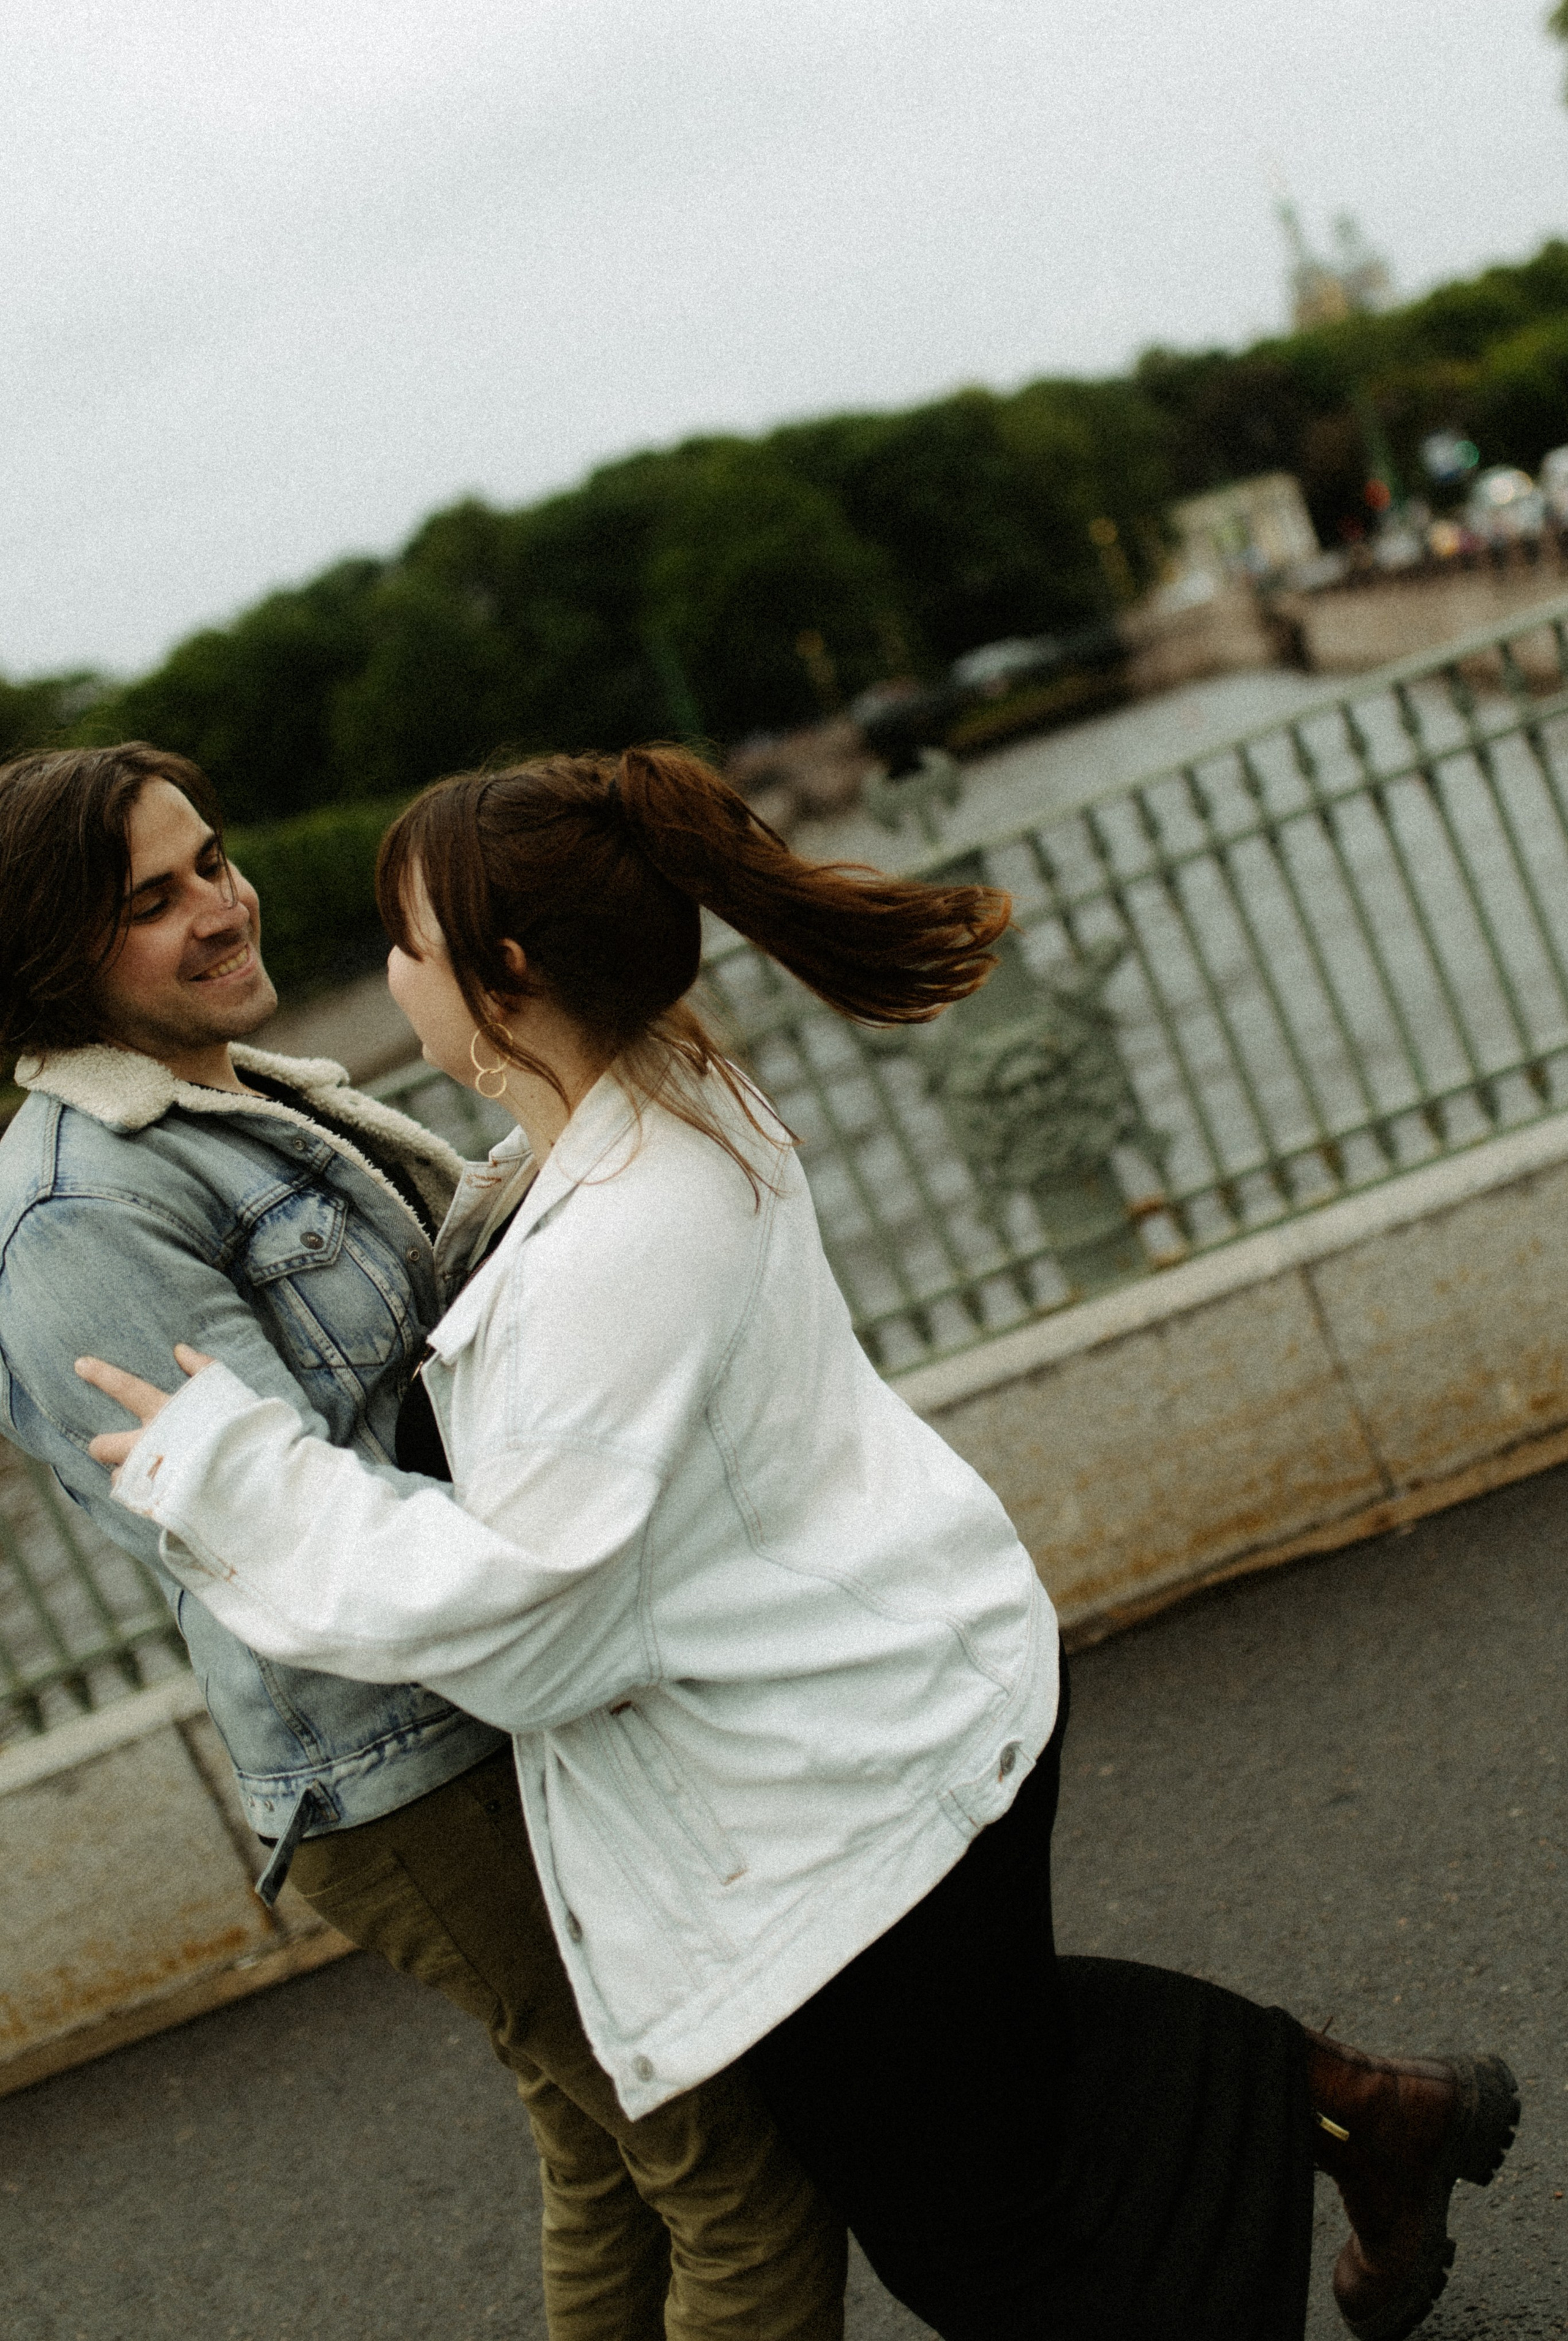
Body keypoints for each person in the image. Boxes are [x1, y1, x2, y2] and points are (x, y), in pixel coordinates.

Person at [80, 744, 1521, 2341]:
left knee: (991, 2238)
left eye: (406, 945)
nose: (387, 974)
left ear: (501, 973)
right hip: (912, 1701)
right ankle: (1367, 2114)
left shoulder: (612, 1238)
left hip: (846, 1790)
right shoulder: (666, 1091)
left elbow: (530, 1621)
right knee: (1009, 2068)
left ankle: (1341, 2138)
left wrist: (234, 1476)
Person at [0, 743, 847, 2341]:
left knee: (609, 2162)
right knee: (738, 2172)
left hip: (459, 1712)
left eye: (213, 859)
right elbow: (280, 1527)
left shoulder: (235, 1097)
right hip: (396, 1762)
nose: (220, 907)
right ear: (52, 956)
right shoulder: (74, 1219)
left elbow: (451, 1307)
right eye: (151, 900)